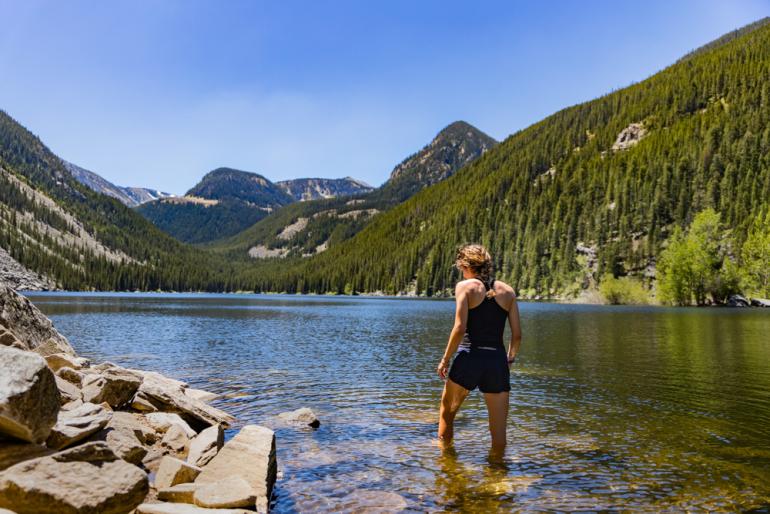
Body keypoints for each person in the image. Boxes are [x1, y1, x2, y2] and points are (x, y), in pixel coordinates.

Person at [437, 244, 522, 460]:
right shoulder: (508, 291)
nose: (461, 272)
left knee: (447, 412)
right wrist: (510, 358)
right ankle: (497, 475)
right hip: (496, 362)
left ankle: (445, 463)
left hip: (469, 358)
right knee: (499, 432)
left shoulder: (465, 287)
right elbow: (517, 334)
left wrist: (445, 359)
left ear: (465, 265)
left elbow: (459, 328)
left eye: (461, 267)